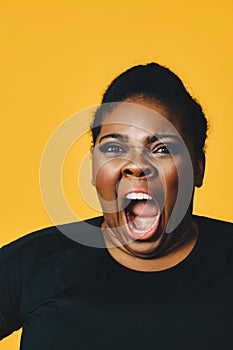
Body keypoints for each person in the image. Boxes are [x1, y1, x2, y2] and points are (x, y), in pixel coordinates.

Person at [0, 63, 232, 350]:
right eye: (113, 148)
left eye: (162, 149)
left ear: (198, 168)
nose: (135, 165)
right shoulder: (35, 264)